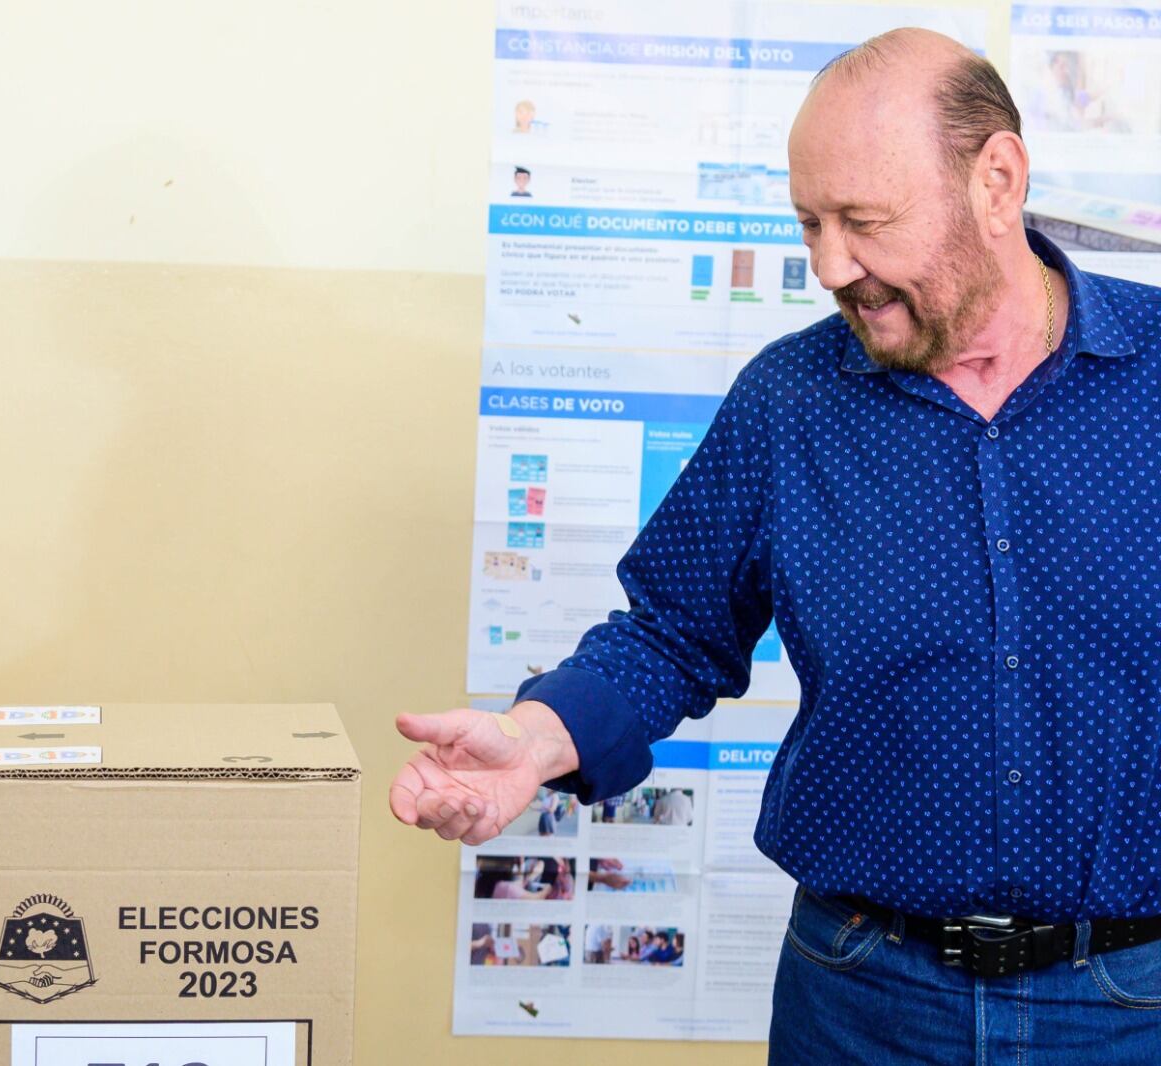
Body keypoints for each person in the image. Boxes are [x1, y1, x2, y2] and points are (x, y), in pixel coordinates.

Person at [392, 27, 1161, 1064]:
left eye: (864, 221)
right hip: (862, 998)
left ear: (998, 180)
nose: (829, 265)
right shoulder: (789, 400)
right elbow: (669, 633)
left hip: (1129, 1000)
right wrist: (534, 741)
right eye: (808, 223)